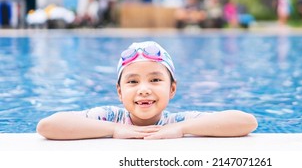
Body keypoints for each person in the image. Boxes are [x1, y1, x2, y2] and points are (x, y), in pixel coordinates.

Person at [36, 41, 258, 140]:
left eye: (154, 79)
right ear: (119, 92)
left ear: (172, 89)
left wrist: (181, 130)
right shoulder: (109, 117)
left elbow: (246, 122)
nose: (143, 90)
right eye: (132, 82)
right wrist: (113, 130)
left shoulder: (178, 121)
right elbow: (48, 126)